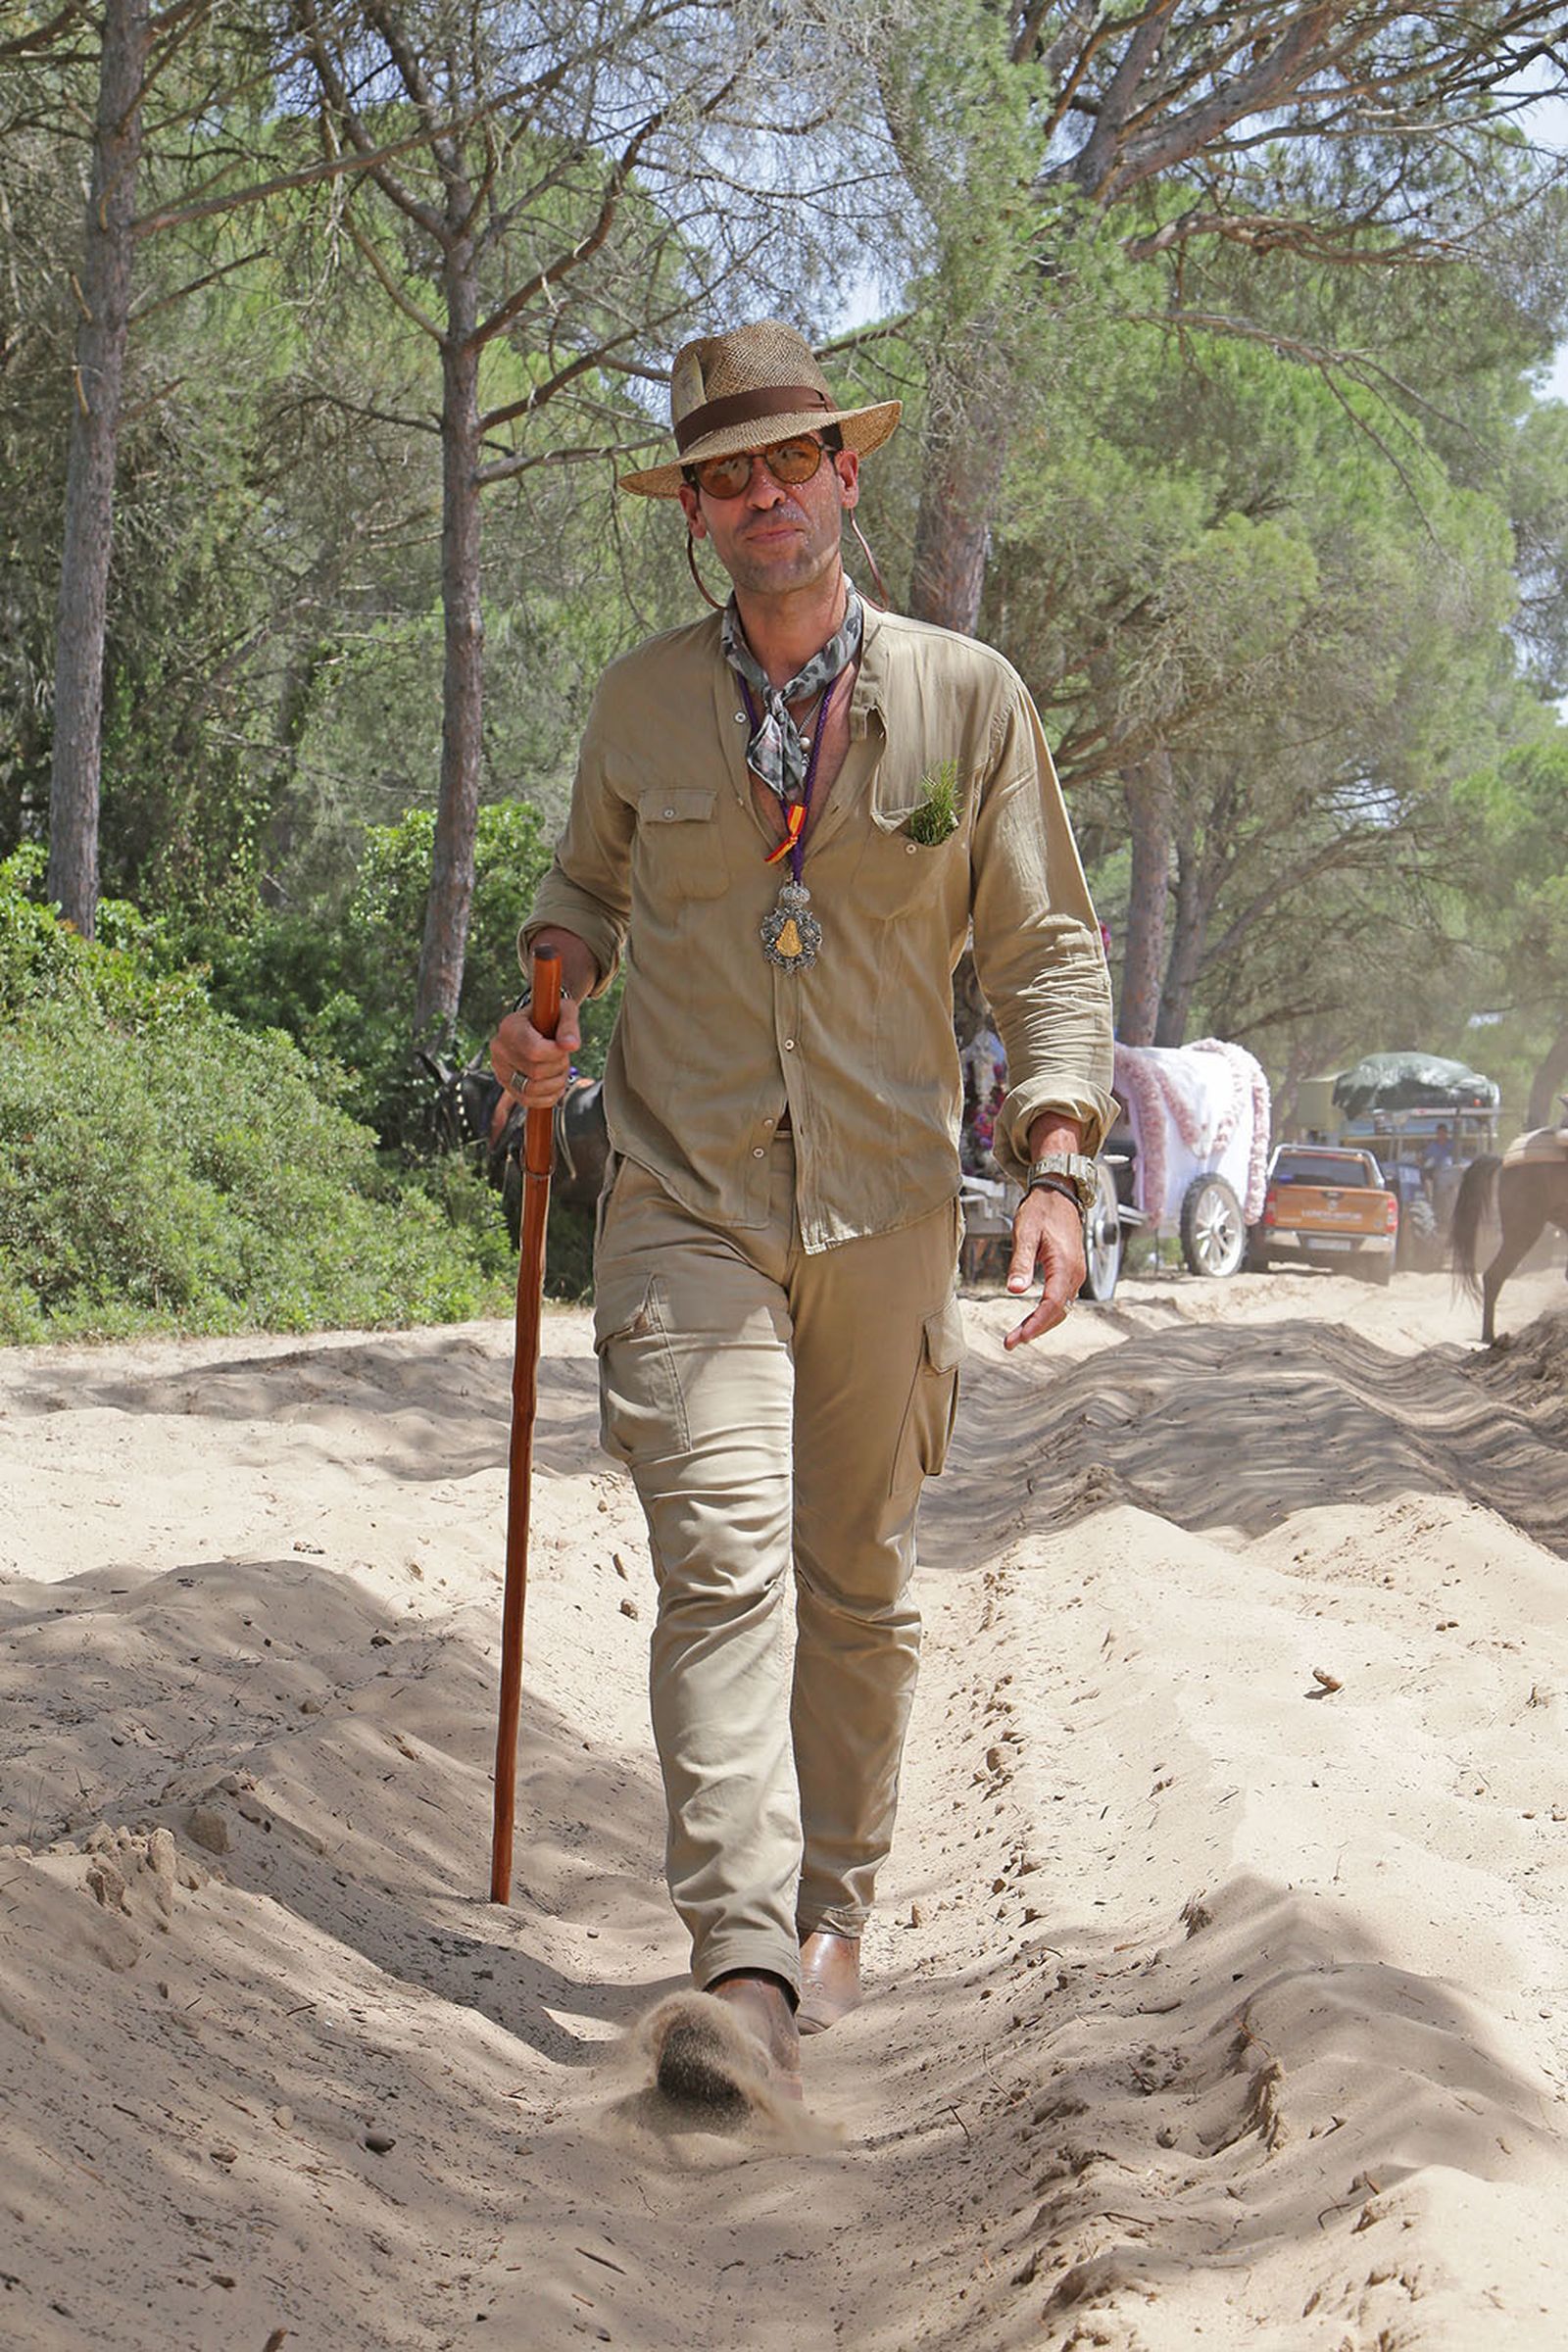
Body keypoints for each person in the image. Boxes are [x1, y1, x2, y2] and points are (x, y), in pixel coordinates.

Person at [489, 319, 1114, 2099]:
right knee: (721, 1557)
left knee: (858, 1579)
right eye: (723, 477)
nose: (761, 498)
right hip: (684, 1194)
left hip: (888, 1203)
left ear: (848, 474)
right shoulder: (636, 702)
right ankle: (745, 1964)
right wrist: (551, 995)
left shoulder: (965, 697)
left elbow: (1042, 945)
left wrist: (1055, 1156)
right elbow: (580, 893)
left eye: (789, 464)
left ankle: (841, 1902)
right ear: (694, 513)